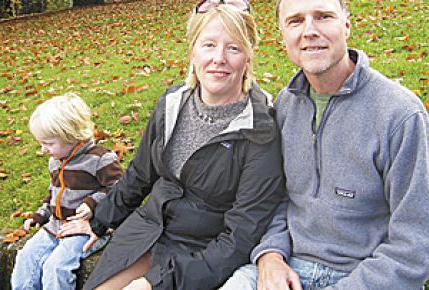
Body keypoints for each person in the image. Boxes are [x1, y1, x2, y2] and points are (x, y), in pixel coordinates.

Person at [58, 3, 285, 290]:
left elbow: (241, 235)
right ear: (193, 51)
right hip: (147, 229)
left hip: (200, 253)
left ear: (248, 58)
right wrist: (99, 221)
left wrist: (155, 283)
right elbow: (140, 174)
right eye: (209, 45)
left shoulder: (259, 131)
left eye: (234, 48)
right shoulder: (172, 103)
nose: (219, 58)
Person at [221, 0, 429, 289]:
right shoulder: (286, 106)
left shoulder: (401, 116)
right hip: (288, 265)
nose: (309, 30)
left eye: (323, 16)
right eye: (295, 21)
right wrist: (270, 255)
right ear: (283, 34)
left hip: (366, 273)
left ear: (346, 24)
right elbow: (275, 198)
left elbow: (416, 243)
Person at [11, 93, 124, 290]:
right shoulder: (55, 161)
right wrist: (41, 215)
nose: (43, 149)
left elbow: (119, 189)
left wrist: (92, 203)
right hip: (55, 226)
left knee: (56, 268)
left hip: (85, 229)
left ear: (70, 136)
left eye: (48, 143)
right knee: (26, 258)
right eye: (41, 143)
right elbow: (53, 193)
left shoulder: (100, 159)